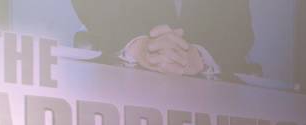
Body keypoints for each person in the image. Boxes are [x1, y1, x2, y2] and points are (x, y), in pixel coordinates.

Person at [71, 0, 260, 78]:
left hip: (206, 99)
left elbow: (240, 29)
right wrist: (137, 45)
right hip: (116, 82)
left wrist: (200, 55)